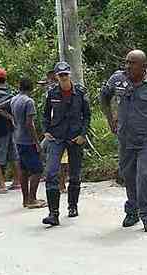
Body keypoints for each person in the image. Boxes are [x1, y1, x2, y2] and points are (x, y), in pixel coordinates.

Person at [100, 50, 147, 233]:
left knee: (144, 176)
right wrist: (111, 119)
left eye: (132, 63)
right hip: (125, 139)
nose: (127, 66)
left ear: (143, 66)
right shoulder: (117, 80)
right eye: (126, 62)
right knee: (129, 176)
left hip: (146, 140)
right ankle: (132, 211)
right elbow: (104, 97)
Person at [41, 61, 91, 226]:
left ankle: (72, 205)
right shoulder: (52, 93)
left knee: (75, 174)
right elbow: (45, 114)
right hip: (57, 136)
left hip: (75, 137)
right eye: (60, 75)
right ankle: (53, 213)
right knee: (51, 173)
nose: (63, 77)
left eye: (65, 74)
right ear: (56, 76)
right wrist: (46, 130)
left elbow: (87, 115)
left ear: (69, 75)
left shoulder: (80, 92)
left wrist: (83, 134)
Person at [7, 78, 47, 209]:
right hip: (27, 140)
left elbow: (0, 107)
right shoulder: (29, 102)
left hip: (17, 138)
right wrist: (36, 142)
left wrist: (13, 120)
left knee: (24, 170)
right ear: (32, 87)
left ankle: (25, 199)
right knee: (37, 170)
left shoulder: (14, 99)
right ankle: (32, 199)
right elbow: (30, 124)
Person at [0, 67, 22, 194]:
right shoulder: (12, 93)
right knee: (14, 156)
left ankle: (2, 185)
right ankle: (17, 182)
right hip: (11, 128)